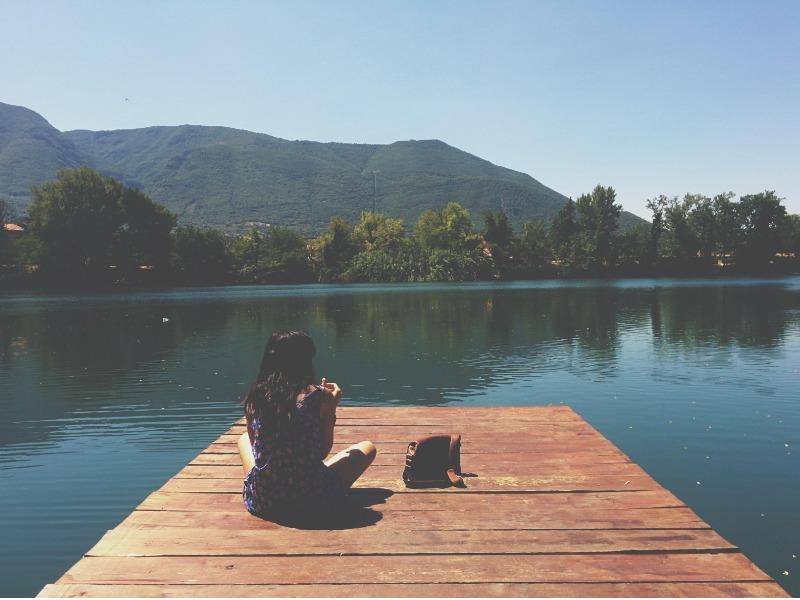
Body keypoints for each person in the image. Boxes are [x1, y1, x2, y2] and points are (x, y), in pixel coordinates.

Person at [238, 330, 376, 520]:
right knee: (367, 448)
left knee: (244, 439)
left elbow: (257, 451)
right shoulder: (317, 397)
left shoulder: (256, 398)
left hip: (265, 500)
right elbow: (322, 451)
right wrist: (330, 409)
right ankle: (306, 470)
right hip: (314, 497)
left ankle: (289, 473)